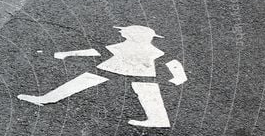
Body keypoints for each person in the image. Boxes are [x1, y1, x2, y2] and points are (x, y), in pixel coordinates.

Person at [17, 25, 186, 128]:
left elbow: (95, 52)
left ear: (130, 35)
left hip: (117, 69)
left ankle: (47, 99)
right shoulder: (153, 50)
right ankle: (158, 119)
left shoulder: (126, 46)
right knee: (148, 93)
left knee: (83, 81)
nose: (123, 35)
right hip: (138, 73)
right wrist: (178, 77)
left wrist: (67, 53)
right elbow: (172, 62)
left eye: (125, 33)